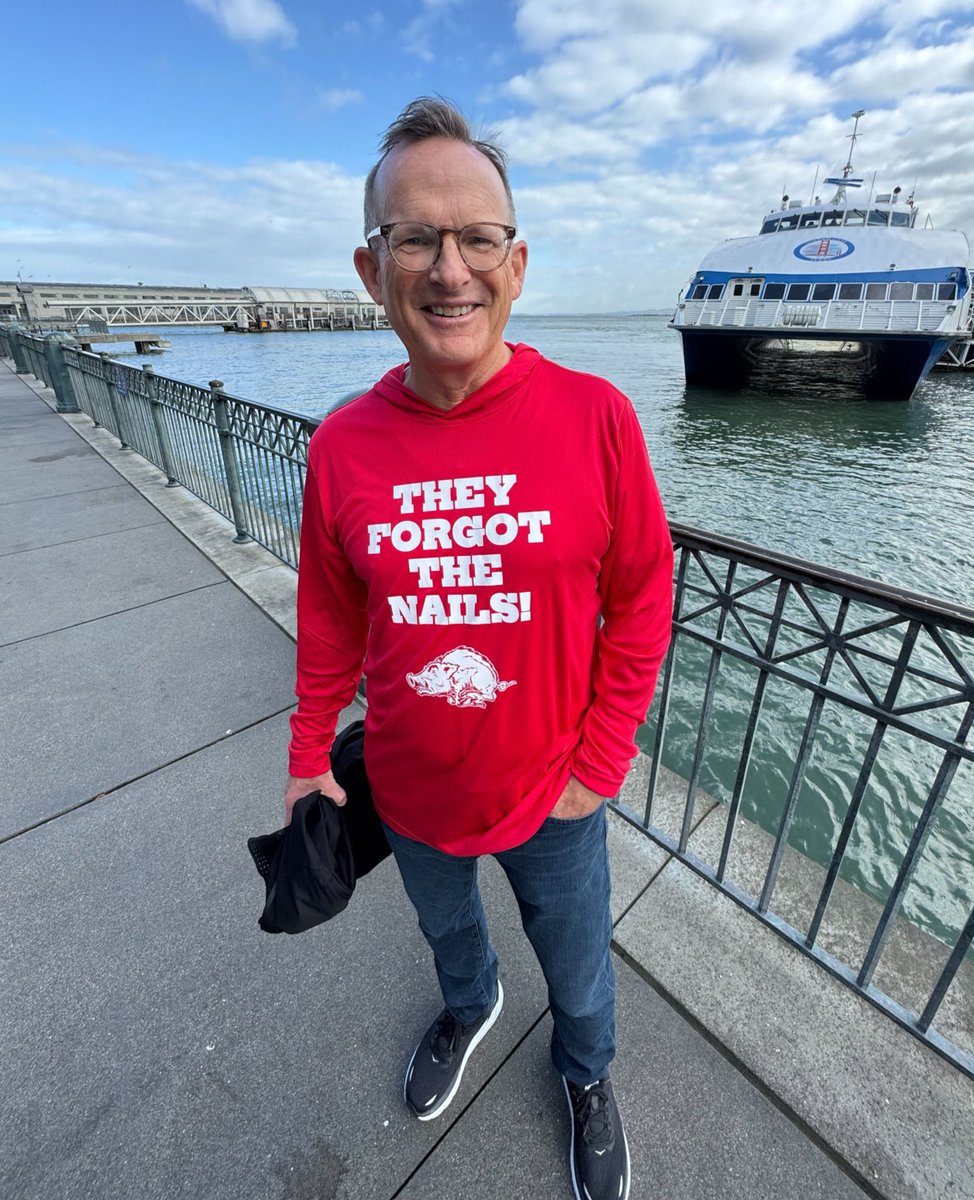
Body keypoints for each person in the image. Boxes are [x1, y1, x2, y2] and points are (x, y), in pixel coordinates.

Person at [283, 96, 674, 1200]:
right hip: (409, 788)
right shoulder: (343, 446)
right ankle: (471, 1005)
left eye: (478, 238)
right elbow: (330, 619)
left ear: (517, 264)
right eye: (416, 238)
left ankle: (587, 1073)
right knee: (448, 932)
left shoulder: (596, 416)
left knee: (580, 966)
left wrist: (600, 762)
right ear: (373, 271)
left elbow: (644, 597)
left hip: (555, 790)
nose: (450, 269)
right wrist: (308, 753)